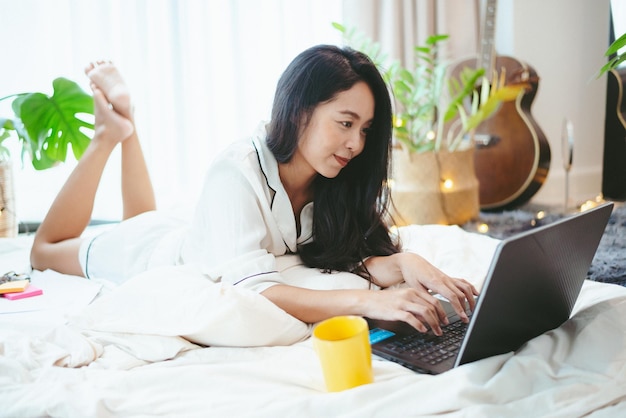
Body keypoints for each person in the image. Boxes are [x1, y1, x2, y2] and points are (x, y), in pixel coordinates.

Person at [30, 45, 478, 336]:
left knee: (143, 215)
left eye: (365, 130)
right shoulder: (235, 171)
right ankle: (109, 134)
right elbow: (257, 291)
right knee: (46, 252)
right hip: (151, 255)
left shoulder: (333, 181)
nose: (356, 144)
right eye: (345, 123)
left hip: (195, 233)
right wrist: (371, 300)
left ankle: (126, 127)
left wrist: (403, 263)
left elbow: (332, 257)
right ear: (299, 110)